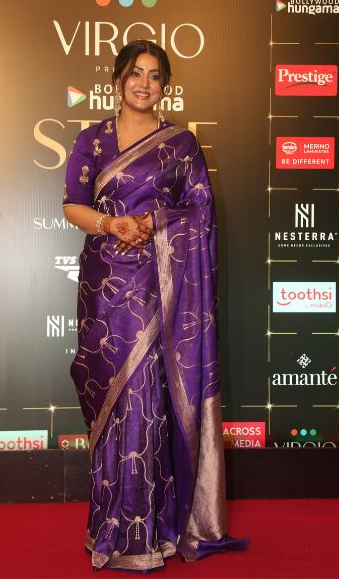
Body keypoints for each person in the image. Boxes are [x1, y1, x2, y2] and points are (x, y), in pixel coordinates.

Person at [62, 39, 249, 573]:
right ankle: (111, 524)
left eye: (154, 75)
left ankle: (151, 530)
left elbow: (200, 211)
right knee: (113, 396)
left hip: (160, 286)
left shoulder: (181, 145)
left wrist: (154, 222)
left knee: (148, 393)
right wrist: (111, 223)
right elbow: (73, 204)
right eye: (135, 73)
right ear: (118, 79)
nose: (144, 83)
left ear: (164, 85)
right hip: (105, 284)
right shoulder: (92, 140)